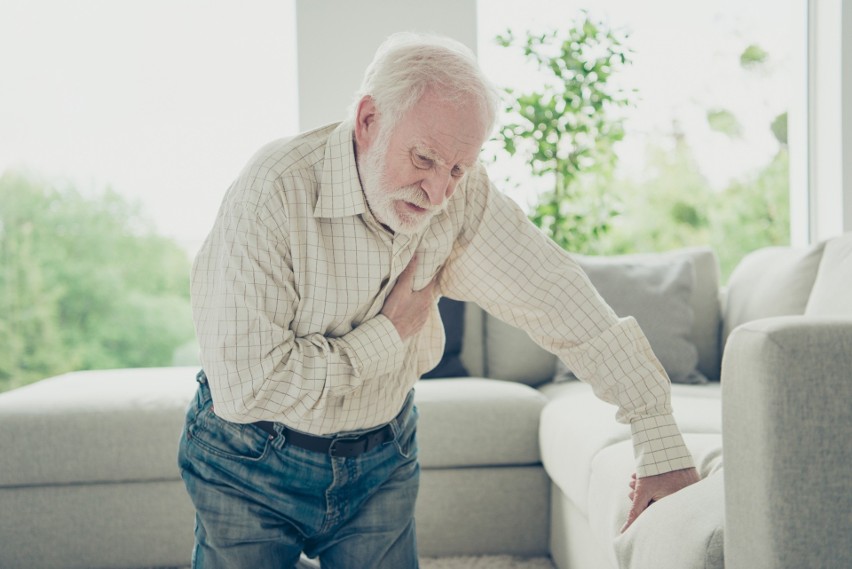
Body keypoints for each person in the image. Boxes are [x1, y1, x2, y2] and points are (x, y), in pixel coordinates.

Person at [178, 31, 700, 569]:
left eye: (457, 168)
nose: (437, 194)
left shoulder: (461, 198)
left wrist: (655, 431)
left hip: (381, 455)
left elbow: (558, 297)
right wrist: (388, 333)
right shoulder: (274, 191)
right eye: (423, 158)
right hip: (248, 459)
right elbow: (248, 386)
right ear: (367, 121)